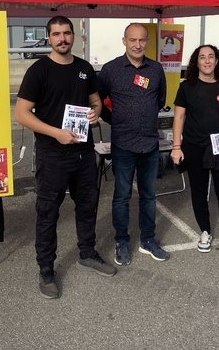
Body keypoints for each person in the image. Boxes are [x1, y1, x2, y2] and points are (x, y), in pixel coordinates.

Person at [15, 15, 116, 300]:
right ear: (49, 37)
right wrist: (55, 133)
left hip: (84, 152)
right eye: (57, 34)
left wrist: (95, 113)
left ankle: (87, 254)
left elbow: (94, 101)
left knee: (88, 206)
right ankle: (46, 269)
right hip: (53, 154)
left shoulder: (84, 68)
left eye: (67, 33)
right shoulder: (39, 70)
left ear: (74, 36)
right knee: (48, 214)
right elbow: (21, 114)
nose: (62, 38)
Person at [98, 23, 170, 266]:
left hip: (150, 145)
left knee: (149, 197)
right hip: (123, 144)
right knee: (122, 196)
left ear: (147, 41)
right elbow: (98, 101)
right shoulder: (110, 70)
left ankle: (148, 240)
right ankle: (121, 240)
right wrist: (114, 119)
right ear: (124, 41)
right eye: (132, 40)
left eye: (141, 40)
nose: (137, 45)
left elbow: (160, 101)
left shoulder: (156, 69)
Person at [170, 45, 219, 257]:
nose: (207, 61)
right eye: (202, 57)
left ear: (217, 61)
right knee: (199, 192)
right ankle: (205, 231)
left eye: (211, 57)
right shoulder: (187, 87)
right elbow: (179, 118)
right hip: (194, 147)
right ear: (196, 62)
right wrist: (176, 147)